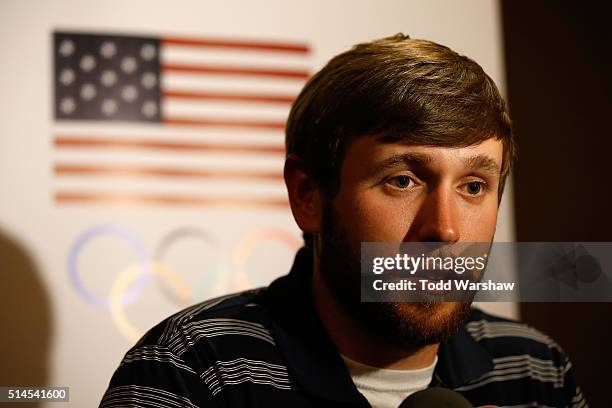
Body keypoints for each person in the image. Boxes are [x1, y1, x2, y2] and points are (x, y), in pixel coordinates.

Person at [100, 34, 587, 408]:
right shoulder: (190, 370)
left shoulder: (535, 369)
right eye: (402, 180)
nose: (446, 230)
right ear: (308, 195)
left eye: (474, 186)